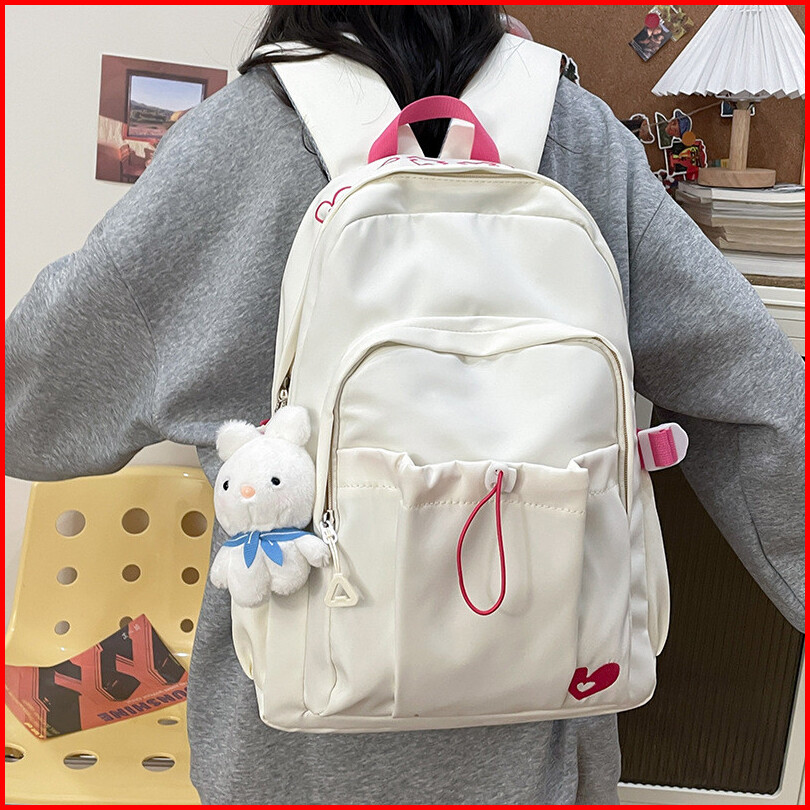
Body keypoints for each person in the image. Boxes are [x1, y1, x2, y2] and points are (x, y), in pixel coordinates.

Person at [5, 6, 804, 805]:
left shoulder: (237, 140)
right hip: (537, 746)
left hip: (292, 753)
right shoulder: (575, 135)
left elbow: (31, 409)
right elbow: (763, 398)